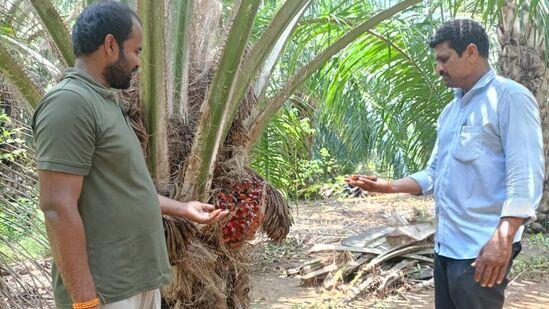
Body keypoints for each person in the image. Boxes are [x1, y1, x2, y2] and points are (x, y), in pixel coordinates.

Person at [31, 1, 228, 308]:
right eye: (136, 51)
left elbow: (124, 189)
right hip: (107, 292)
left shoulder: (104, 102)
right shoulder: (69, 103)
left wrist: (183, 208)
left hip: (137, 283)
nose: (138, 62)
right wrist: (85, 301)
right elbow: (57, 206)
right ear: (110, 45)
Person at [346, 19, 544, 309]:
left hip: (481, 251)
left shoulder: (509, 98)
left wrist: (503, 239)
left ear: (472, 52)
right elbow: (434, 174)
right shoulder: (451, 111)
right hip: (446, 247)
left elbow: (525, 176)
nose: (438, 68)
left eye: (444, 59)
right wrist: (387, 186)